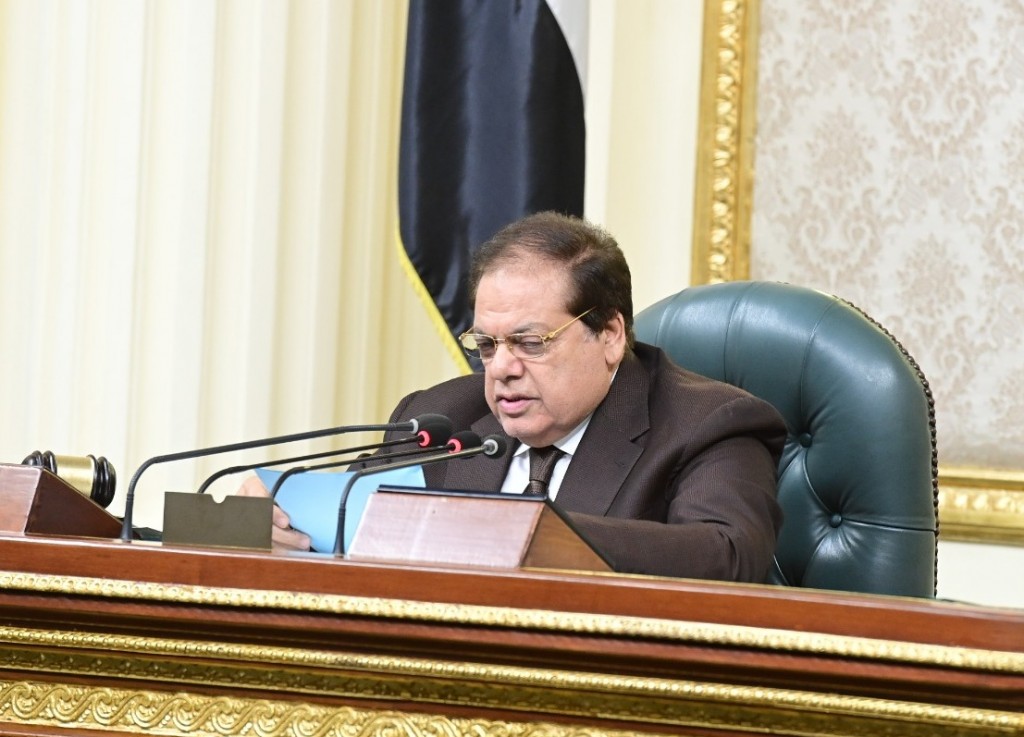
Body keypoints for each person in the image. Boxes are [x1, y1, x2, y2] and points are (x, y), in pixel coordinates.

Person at [242, 212, 787, 582]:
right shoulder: (442, 417)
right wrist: (275, 516)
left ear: (610, 335)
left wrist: (526, 531)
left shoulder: (709, 424)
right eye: (487, 344)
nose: (501, 368)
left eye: (530, 343)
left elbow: (727, 557)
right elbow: (348, 512)